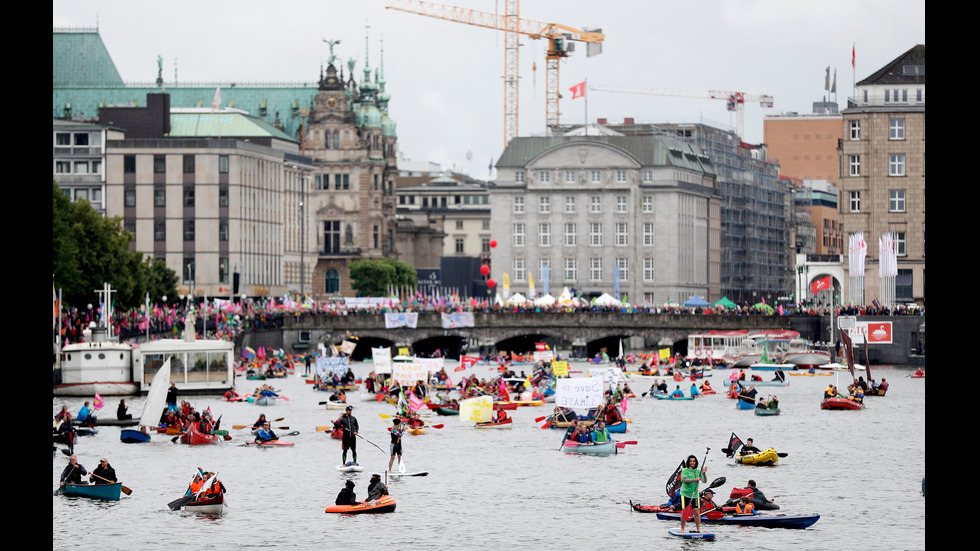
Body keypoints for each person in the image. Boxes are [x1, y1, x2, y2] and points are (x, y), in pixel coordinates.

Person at [679, 454, 708, 533]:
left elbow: (704, 481)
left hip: (695, 495)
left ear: (696, 462)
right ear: (688, 462)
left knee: (696, 511)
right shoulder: (684, 470)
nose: (692, 462)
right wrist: (695, 479)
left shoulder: (698, 471)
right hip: (685, 494)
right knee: (684, 511)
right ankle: (682, 528)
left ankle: (698, 529)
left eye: (694, 461)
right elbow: (685, 480)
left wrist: (704, 473)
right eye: (691, 461)